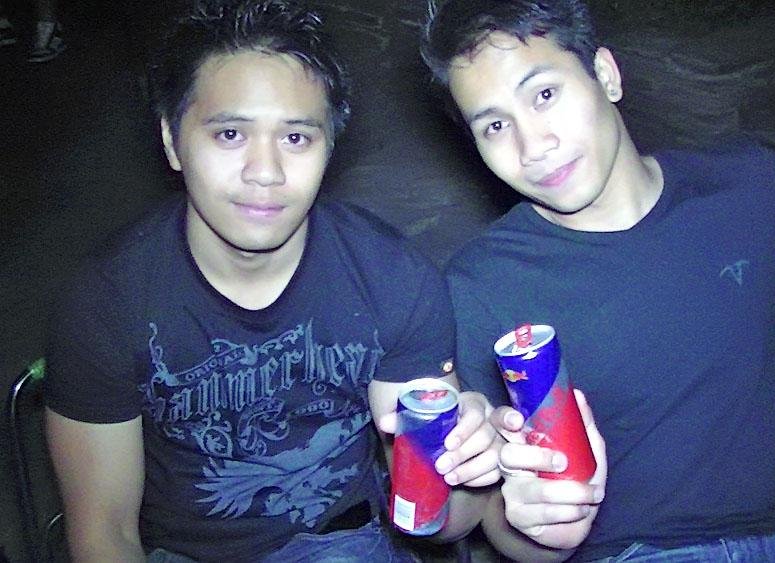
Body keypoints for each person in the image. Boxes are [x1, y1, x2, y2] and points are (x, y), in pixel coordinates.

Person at [420, 1, 775, 561]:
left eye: (544, 94)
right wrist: (543, 528)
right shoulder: (483, 283)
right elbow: (497, 520)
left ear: (605, 74)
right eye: (495, 125)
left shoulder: (748, 190)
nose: (533, 147)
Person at [43, 0, 497, 561]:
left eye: (297, 138)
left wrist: (470, 473)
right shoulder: (105, 305)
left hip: (344, 544)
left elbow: (437, 520)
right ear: (171, 141)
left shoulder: (394, 281)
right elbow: (104, 532)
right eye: (230, 134)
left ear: (330, 148)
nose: (266, 172)